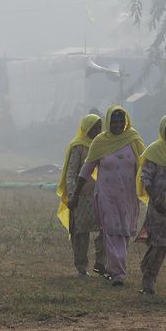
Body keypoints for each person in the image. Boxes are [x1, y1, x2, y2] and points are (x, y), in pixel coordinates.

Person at [69, 106, 144, 286]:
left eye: (120, 121)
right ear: (108, 123)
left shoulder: (133, 139)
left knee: (124, 231)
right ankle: (117, 273)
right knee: (111, 231)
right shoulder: (100, 142)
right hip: (106, 196)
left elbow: (145, 164)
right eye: (114, 122)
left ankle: (115, 267)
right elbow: (86, 170)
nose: (117, 125)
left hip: (128, 195)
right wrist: (75, 194)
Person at [137, 114, 166, 294]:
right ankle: (148, 283)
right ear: (162, 131)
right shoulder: (154, 151)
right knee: (159, 246)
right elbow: (146, 177)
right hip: (160, 209)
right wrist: (156, 199)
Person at [57, 114, 105, 276]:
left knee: (105, 231)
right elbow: (71, 173)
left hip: (100, 196)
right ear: (86, 128)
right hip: (82, 196)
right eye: (94, 128)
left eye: (99, 128)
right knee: (81, 234)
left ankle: (101, 262)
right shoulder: (78, 147)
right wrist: (72, 194)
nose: (98, 131)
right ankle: (82, 267)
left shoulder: (103, 145)